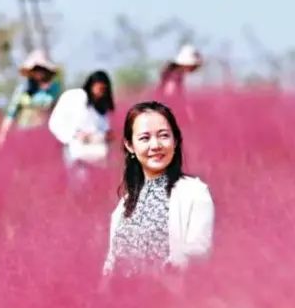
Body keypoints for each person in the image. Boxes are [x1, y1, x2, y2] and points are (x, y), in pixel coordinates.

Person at [102, 101, 213, 279]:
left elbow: (199, 250)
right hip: (122, 301)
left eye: (163, 136)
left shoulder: (194, 193)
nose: (155, 145)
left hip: (169, 300)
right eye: (144, 138)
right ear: (130, 145)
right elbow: (111, 262)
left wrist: (167, 271)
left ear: (175, 140)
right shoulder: (125, 204)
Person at [48, 70, 115, 177]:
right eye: (99, 89)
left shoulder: (101, 105)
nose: (101, 93)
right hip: (76, 150)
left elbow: (103, 129)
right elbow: (55, 123)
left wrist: (105, 136)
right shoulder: (74, 97)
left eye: (104, 90)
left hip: (98, 153)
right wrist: (75, 135)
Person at [0, 50, 62, 147]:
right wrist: (3, 135)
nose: (38, 72)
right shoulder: (23, 89)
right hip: (25, 132)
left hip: (46, 131)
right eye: (35, 69)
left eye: (40, 69)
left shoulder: (53, 88)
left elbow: (57, 108)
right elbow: (11, 113)